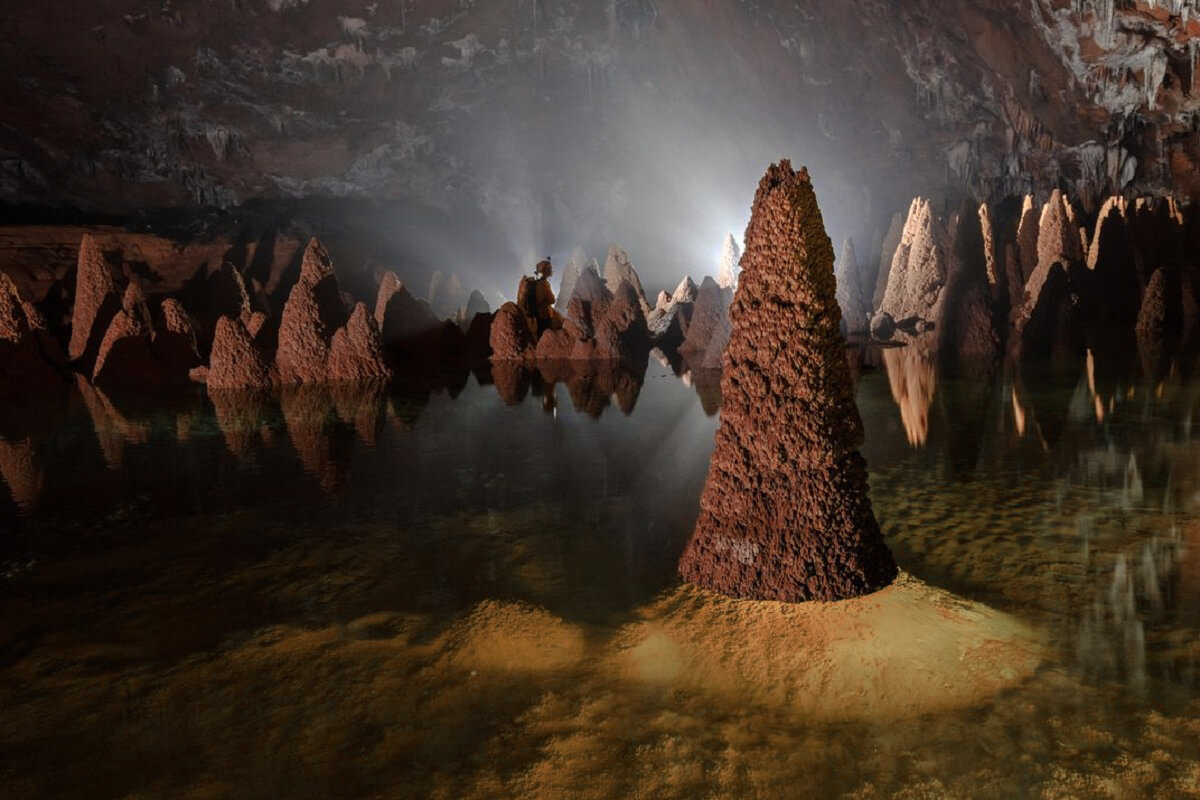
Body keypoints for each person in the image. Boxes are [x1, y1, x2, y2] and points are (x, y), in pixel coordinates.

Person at [518, 257, 563, 337]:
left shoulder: (537, 283)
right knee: (546, 336)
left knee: (541, 335)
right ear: (545, 270)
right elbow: (552, 300)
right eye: (550, 268)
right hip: (546, 315)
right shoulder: (544, 284)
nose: (551, 270)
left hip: (538, 315)